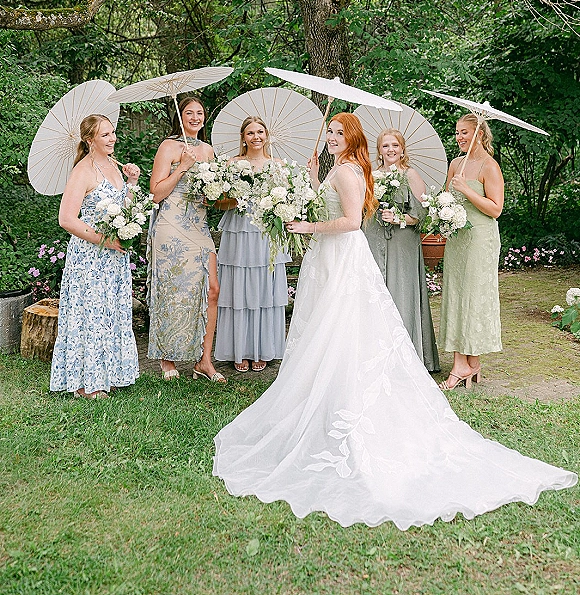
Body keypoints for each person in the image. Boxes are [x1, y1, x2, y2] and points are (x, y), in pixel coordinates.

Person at [213, 112, 576, 529]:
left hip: (344, 260)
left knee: (342, 328)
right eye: (328, 132)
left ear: (350, 139)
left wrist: (306, 224)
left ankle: (348, 405)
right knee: (327, 334)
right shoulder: (336, 168)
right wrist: (312, 181)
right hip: (329, 261)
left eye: (337, 133)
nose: (330, 138)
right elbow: (330, 205)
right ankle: (330, 396)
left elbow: (351, 223)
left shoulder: (350, 171)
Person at [50, 115, 141, 400]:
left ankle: (107, 373)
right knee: (89, 314)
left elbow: (125, 208)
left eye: (112, 132)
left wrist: (132, 182)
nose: (112, 138)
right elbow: (66, 219)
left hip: (113, 257)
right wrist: (106, 240)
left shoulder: (114, 166)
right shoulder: (82, 171)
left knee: (109, 313)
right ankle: (84, 382)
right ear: (90, 141)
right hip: (90, 257)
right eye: (105, 135)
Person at [147, 96, 226, 383]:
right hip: (170, 225)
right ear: (180, 116)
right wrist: (182, 166)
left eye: (199, 113)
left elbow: (213, 195)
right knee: (172, 288)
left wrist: (216, 194)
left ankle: (204, 361)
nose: (195, 117)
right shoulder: (168, 146)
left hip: (198, 224)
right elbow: (155, 194)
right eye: (189, 113)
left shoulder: (209, 150)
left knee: (212, 288)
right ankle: (167, 357)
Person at [214, 116, 289, 373]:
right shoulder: (233, 164)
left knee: (263, 287)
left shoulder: (278, 165)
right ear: (243, 137)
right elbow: (218, 202)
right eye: (250, 133)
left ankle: (263, 348)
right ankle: (240, 349)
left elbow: (288, 204)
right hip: (239, 229)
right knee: (239, 287)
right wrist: (235, 199)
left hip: (266, 232)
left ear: (267, 135)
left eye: (260, 132)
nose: (256, 137)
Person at [364, 128, 439, 372]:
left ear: (403, 149)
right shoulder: (372, 175)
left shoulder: (411, 174)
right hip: (375, 237)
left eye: (395, 145)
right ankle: (377, 353)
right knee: (377, 291)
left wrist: (399, 218)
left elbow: (423, 214)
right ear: (379, 150)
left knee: (401, 292)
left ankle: (407, 356)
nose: (391, 150)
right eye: (385, 146)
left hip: (403, 240)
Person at [439, 114, 504, 390]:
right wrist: (441, 210)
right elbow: (446, 199)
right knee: (456, 293)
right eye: (456, 133)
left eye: (464, 132)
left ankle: (462, 364)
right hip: (457, 238)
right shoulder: (456, 164)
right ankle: (469, 362)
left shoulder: (490, 166)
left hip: (480, 239)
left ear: (479, 133)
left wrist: (467, 189)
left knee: (474, 297)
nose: (459, 137)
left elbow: (495, 209)